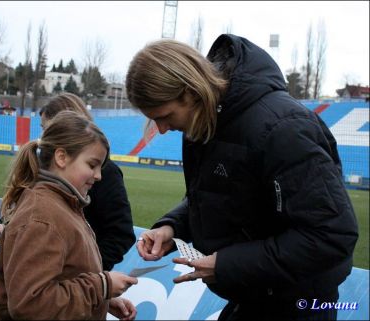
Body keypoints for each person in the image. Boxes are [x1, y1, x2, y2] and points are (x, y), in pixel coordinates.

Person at [126, 35, 358, 321]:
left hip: (297, 306)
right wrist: (172, 228)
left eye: (164, 115)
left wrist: (225, 265)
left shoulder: (283, 128)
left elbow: (331, 235)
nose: (161, 129)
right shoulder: (206, 121)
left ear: (191, 90)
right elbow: (217, 197)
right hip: (252, 297)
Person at [0, 111, 137, 320]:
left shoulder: (62, 205)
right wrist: (101, 286)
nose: (98, 176)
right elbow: (30, 306)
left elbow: (62, 277)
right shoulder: (42, 217)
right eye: (92, 165)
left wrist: (100, 301)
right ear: (61, 157)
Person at [0, 92, 136, 272]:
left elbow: (120, 234)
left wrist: (89, 275)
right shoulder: (42, 171)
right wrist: (5, 224)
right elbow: (23, 206)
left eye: (50, 128)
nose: (45, 136)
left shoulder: (105, 174)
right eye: (43, 128)